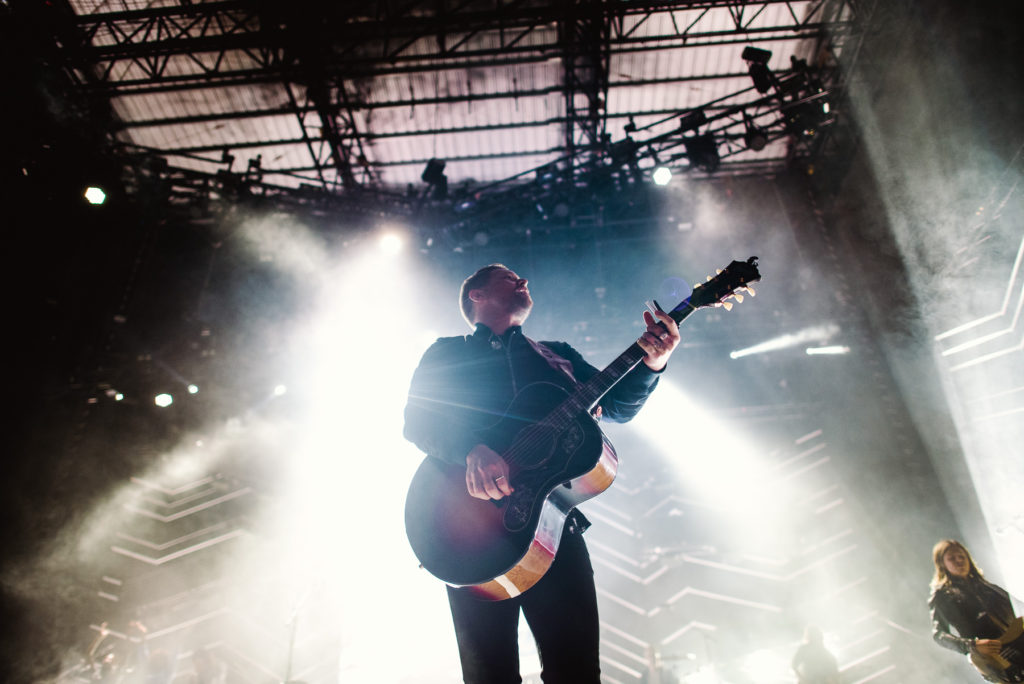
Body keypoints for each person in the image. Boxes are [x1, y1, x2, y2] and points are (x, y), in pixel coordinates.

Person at [403, 264, 680, 683]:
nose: (524, 281)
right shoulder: (448, 353)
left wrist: (654, 362)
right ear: (476, 296)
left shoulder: (557, 355)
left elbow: (618, 406)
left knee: (577, 672)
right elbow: (417, 420)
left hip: (553, 534)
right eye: (508, 277)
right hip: (465, 532)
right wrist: (470, 451)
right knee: (489, 676)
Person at [929, 539, 1024, 682]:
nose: (959, 561)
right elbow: (939, 635)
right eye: (952, 558)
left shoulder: (986, 586)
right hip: (999, 659)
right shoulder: (942, 596)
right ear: (942, 564)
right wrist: (972, 646)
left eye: (962, 556)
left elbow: (1019, 606)